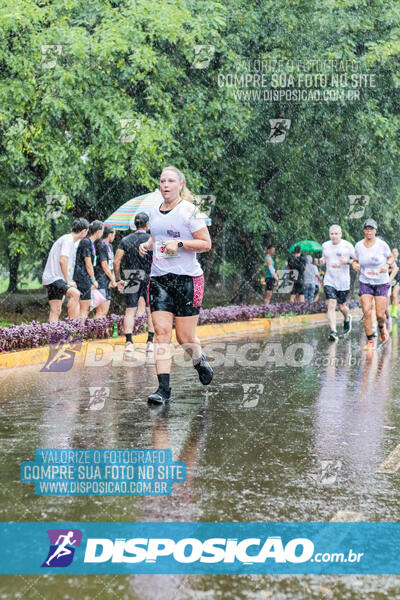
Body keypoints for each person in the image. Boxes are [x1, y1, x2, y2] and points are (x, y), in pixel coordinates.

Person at [138, 165, 213, 404]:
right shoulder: (153, 211)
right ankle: (163, 390)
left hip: (188, 279)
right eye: (162, 181)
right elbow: (157, 237)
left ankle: (199, 360)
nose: (165, 185)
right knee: (161, 333)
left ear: (180, 185)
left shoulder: (189, 211)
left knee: (184, 338)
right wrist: (148, 244)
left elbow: (205, 243)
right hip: (159, 278)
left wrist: (179, 244)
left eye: (170, 181)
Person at [113, 212, 155, 353]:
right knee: (150, 311)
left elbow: (116, 260)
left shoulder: (125, 240)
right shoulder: (151, 239)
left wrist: (118, 279)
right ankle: (150, 342)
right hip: (149, 276)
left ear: (134, 224)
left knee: (130, 310)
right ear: (147, 224)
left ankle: (129, 342)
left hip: (132, 276)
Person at [352, 218, 394, 350]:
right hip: (365, 282)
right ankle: (370, 339)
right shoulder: (358, 245)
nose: (369, 231)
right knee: (366, 311)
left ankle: (381, 327)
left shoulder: (382, 245)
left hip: (381, 282)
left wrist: (387, 265)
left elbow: (391, 257)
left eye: (371, 229)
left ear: (375, 231)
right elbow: (354, 259)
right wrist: (354, 264)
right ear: (364, 231)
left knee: (380, 314)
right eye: (367, 229)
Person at [42, 218, 89, 322]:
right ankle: (72, 327)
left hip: (52, 278)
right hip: (55, 278)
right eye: (86, 232)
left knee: (56, 310)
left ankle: (53, 336)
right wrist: (68, 281)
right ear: (83, 231)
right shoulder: (68, 240)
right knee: (75, 294)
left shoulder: (70, 241)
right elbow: (62, 260)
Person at [320, 225, 355, 341]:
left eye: (336, 234)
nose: (334, 236)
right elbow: (324, 257)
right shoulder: (325, 245)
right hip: (329, 280)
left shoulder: (347, 246)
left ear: (340, 234)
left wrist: (348, 261)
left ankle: (347, 317)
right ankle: (333, 331)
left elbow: (358, 259)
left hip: (343, 282)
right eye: (332, 234)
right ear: (329, 234)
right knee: (331, 303)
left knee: (341, 306)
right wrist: (322, 260)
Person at [73, 220, 104, 318]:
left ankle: (79, 329)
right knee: (84, 307)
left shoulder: (90, 243)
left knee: (85, 307)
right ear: (99, 231)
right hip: (82, 277)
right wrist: (93, 279)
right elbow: (88, 263)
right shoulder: (86, 242)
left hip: (83, 277)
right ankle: (80, 330)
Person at [94, 226, 117, 318]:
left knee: (105, 310)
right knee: (101, 310)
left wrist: (113, 279)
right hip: (101, 280)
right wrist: (113, 280)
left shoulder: (110, 246)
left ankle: (100, 331)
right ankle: (97, 331)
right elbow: (104, 265)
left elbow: (111, 265)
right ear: (110, 235)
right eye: (114, 235)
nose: (114, 237)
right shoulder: (101, 245)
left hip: (108, 281)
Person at [390, 248, 400, 318]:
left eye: (396, 252)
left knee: (394, 294)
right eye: (393, 252)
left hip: (398, 281)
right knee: (390, 296)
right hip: (390, 281)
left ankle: (394, 312)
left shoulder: (399, 262)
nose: (394, 253)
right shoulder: (389, 262)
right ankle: (391, 309)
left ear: (398, 253)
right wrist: (392, 269)